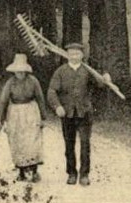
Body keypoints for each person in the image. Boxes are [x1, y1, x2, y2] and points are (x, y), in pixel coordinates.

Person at [47, 42, 112, 186]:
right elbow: (51, 91)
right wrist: (57, 106)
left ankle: (84, 174)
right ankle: (71, 173)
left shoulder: (88, 71)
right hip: (67, 114)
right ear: (67, 55)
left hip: (84, 113)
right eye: (71, 53)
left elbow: (100, 84)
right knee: (69, 145)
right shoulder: (61, 72)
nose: (74, 56)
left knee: (85, 144)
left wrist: (106, 77)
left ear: (82, 55)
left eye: (77, 53)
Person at [0, 53, 48, 182]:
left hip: (31, 111)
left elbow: (40, 98)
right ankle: (21, 171)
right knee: (17, 140)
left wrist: (43, 117)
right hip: (15, 112)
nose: (20, 73)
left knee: (32, 139)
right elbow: (3, 101)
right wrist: (2, 120)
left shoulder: (33, 81)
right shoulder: (10, 83)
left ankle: (34, 170)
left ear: (26, 70)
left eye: (22, 71)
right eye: (17, 71)